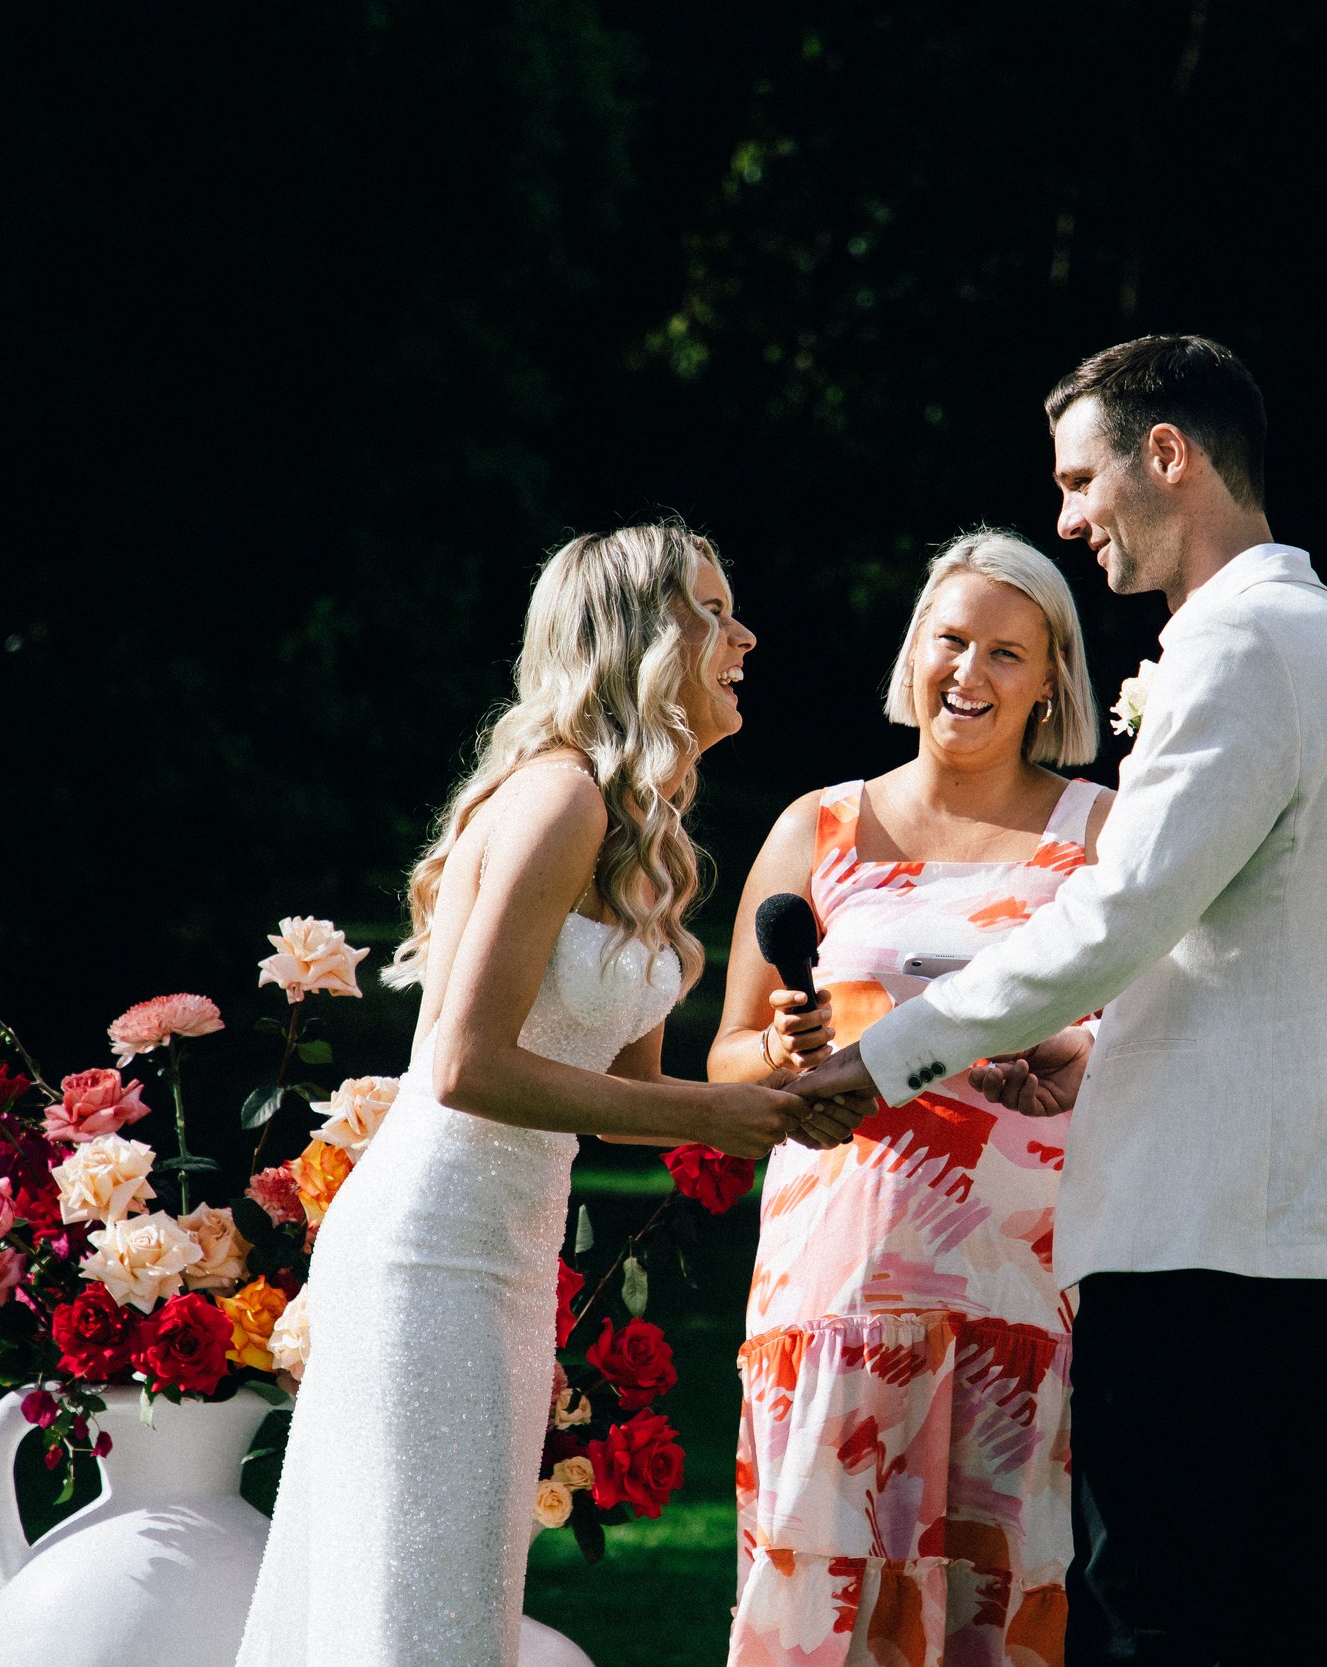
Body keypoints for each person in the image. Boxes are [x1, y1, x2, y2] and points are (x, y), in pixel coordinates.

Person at [792, 337, 1327, 1666]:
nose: (1069, 514)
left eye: (1082, 478)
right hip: (1282, 1213)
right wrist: (1089, 1043)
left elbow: (1118, 910)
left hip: (1204, 1222)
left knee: (1154, 1608)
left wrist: (890, 1050)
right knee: (1293, 1616)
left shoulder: (1241, 645)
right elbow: (1252, 935)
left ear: (1168, 455)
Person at [235, 524, 851, 1667]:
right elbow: (466, 1065)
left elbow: (620, 1097)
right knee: (414, 1603)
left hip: (507, 1258)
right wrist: (710, 1118)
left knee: (460, 1593)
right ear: (637, 638)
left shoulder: (647, 839)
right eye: (714, 612)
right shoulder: (557, 797)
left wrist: (759, 1071)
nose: (745, 637)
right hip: (430, 1247)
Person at [710, 529, 1112, 1667]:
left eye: (1005, 652)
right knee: (821, 1606)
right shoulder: (818, 825)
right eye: (950, 639)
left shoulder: (1101, 834)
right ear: (913, 650)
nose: (968, 673)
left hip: (1019, 1291)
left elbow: (1148, 1037)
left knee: (996, 1605)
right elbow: (729, 1058)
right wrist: (786, 1047)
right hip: (836, 1279)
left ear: (1050, 682)